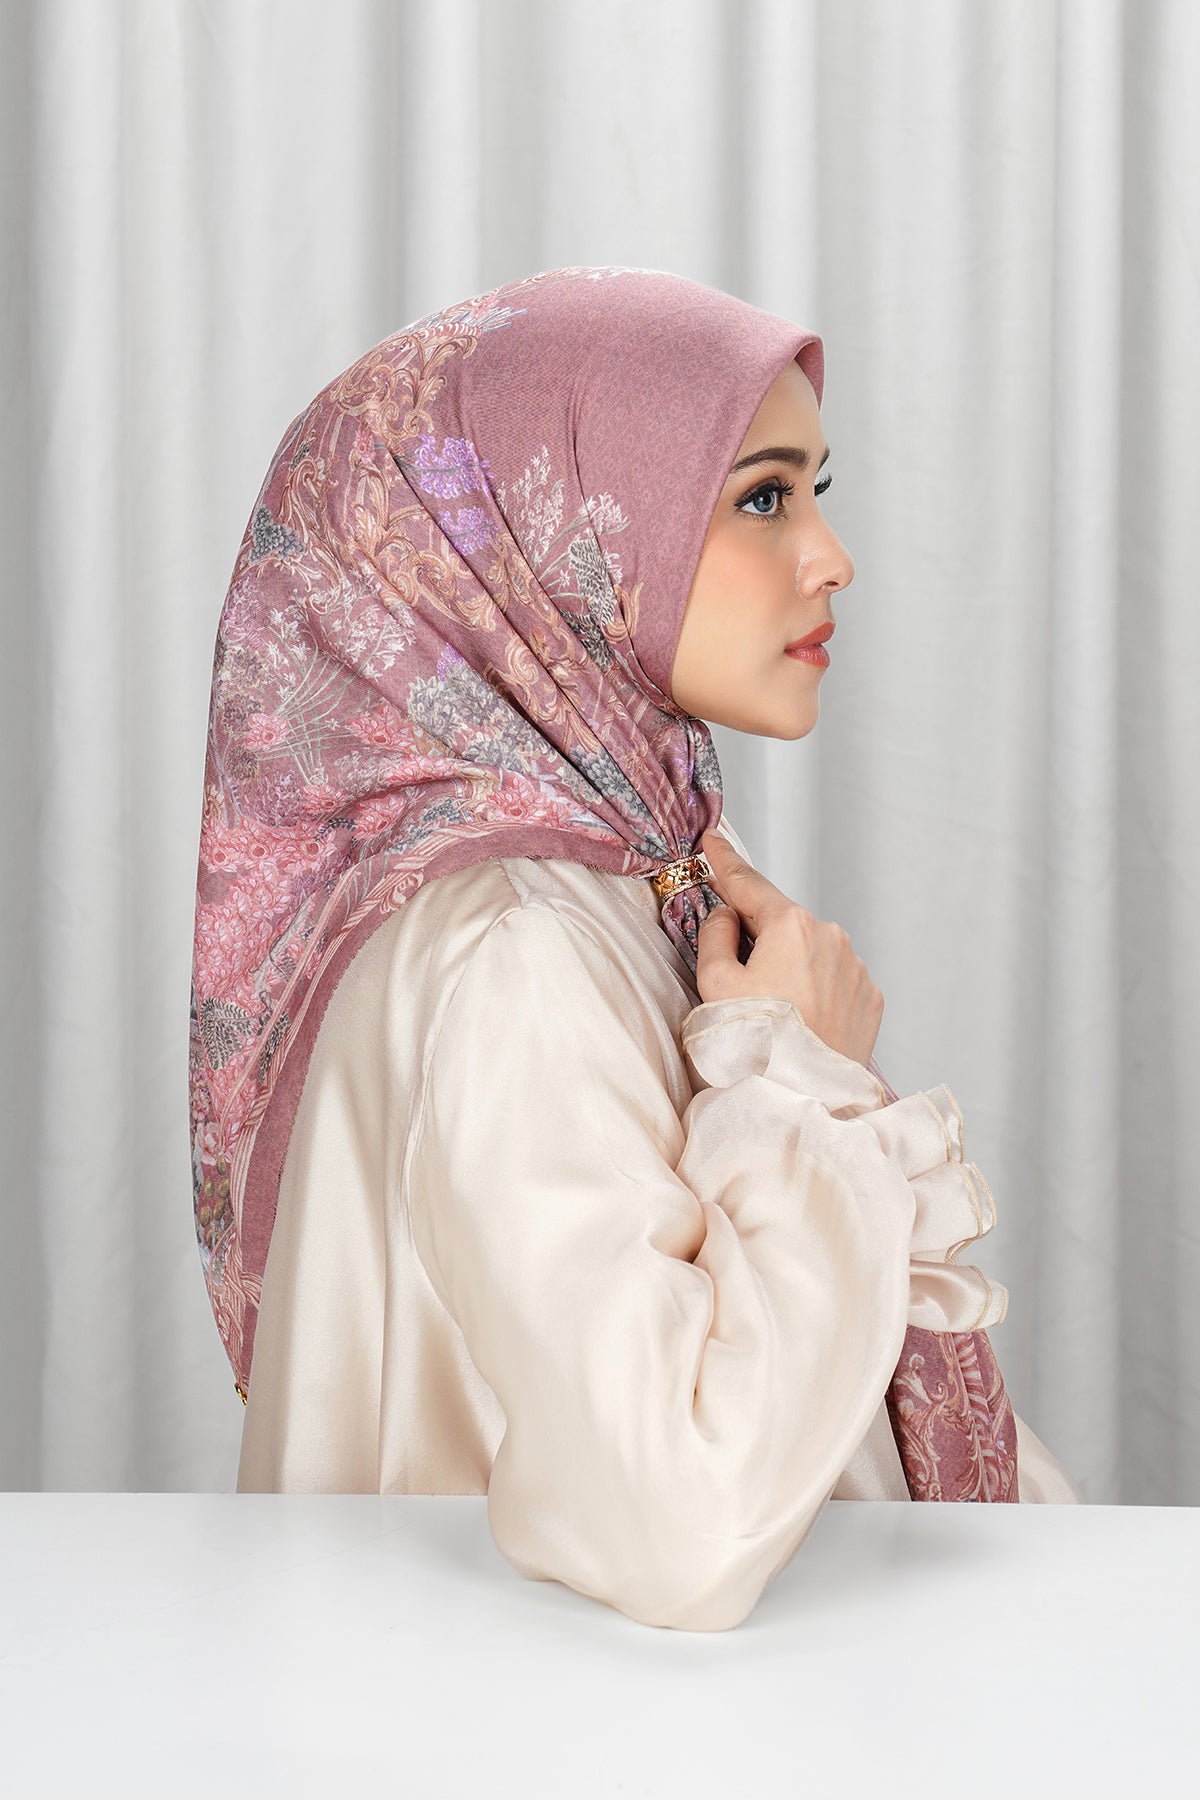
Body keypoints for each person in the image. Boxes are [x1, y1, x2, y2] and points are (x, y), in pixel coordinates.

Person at [189, 265, 1081, 1634]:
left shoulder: (643, 870)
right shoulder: (512, 953)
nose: (832, 558)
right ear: (550, 542)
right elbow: (686, 1521)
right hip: (571, 1724)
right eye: (763, 498)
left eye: (816, 491)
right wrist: (796, 1079)